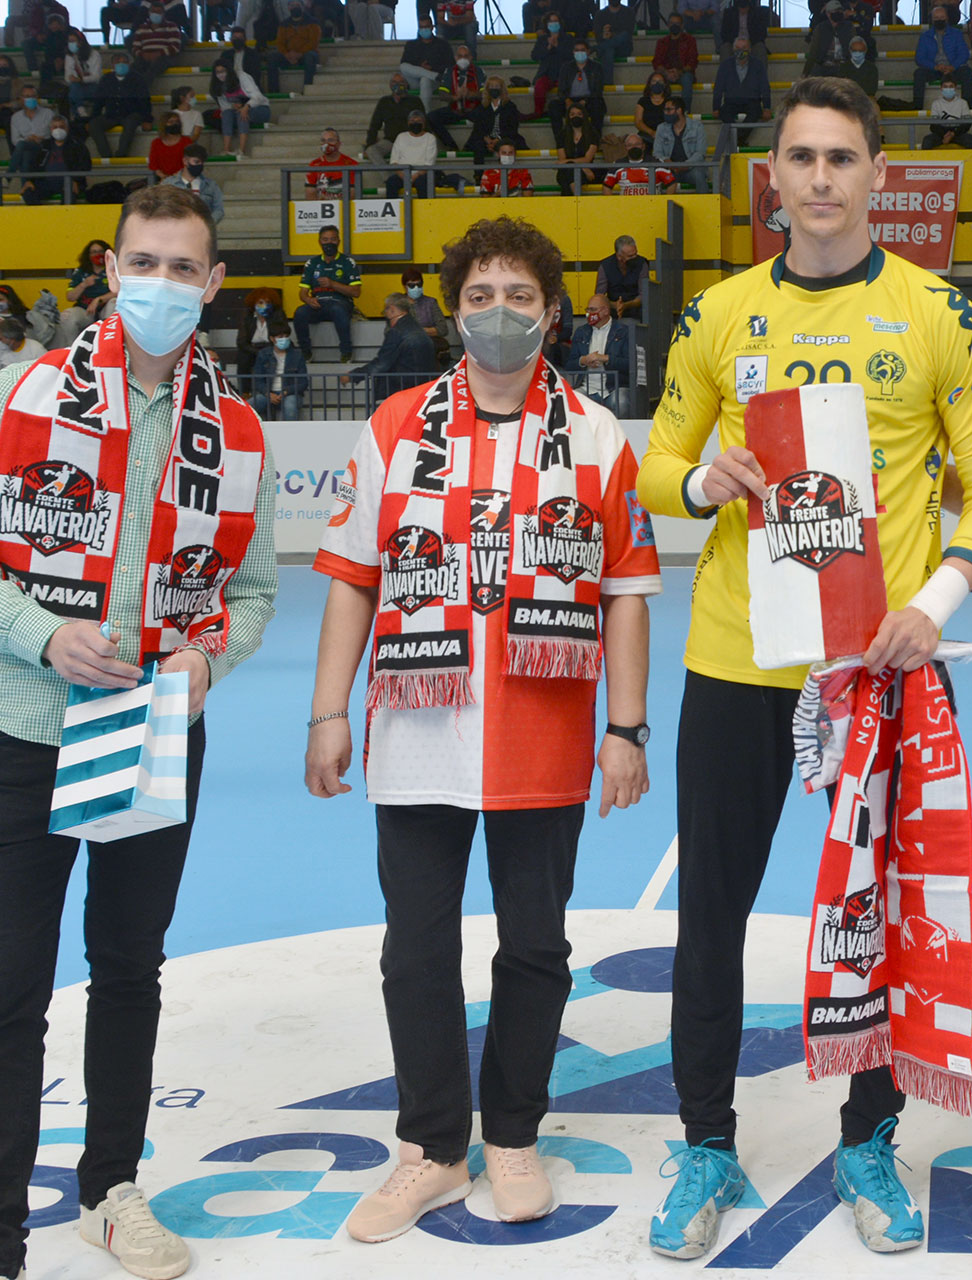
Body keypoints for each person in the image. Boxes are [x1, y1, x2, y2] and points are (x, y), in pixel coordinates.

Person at [637, 74, 972, 1263]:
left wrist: (935, 595)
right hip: (739, 661)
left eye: (841, 159)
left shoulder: (939, 314)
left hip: (885, 662)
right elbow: (656, 465)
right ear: (774, 178)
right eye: (799, 158)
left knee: (882, 913)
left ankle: (872, 1135)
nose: (818, 179)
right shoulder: (717, 315)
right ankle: (706, 1136)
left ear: (876, 175)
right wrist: (704, 483)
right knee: (710, 915)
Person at [0, 183, 275, 1280]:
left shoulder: (239, 431)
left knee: (129, 970)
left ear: (212, 286)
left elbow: (252, 592)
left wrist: (210, 655)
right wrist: (41, 634)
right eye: (143, 263)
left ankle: (111, 1191)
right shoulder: (15, 397)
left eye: (183, 269)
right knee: (8, 991)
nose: (161, 285)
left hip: (155, 734)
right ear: (109, 270)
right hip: (24, 732)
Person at [305, 212, 657, 1250]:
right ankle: (428, 1146)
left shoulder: (595, 434)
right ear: (452, 311)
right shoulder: (394, 426)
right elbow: (352, 582)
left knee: (536, 944)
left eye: (520, 297)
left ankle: (510, 1132)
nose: (499, 314)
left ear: (554, 313)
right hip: (417, 729)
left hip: (544, 728)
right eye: (479, 296)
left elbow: (628, 592)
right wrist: (329, 711)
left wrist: (625, 729)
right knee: (415, 947)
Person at [343, 293, 435, 396]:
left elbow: (381, 363)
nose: (385, 315)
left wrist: (353, 375)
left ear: (392, 310)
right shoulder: (418, 329)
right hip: (424, 389)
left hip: (402, 389)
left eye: (385, 311)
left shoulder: (397, 332)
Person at [296, 225, 362, 361]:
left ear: (338, 241)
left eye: (333, 239)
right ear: (320, 242)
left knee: (337, 309)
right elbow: (302, 293)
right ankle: (305, 352)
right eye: (325, 240)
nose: (329, 243)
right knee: (300, 312)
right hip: (318, 304)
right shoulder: (312, 263)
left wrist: (333, 284)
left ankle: (346, 352)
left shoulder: (348, 262)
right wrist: (308, 300)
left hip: (341, 303)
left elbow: (356, 292)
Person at [563, 291, 633, 414]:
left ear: (605, 311)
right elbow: (569, 364)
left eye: (592, 310)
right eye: (587, 310)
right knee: (569, 402)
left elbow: (630, 364)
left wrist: (606, 358)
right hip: (586, 388)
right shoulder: (581, 332)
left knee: (621, 401)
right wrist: (583, 361)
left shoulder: (623, 332)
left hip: (614, 388)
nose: (588, 314)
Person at [86, 56, 152, 160]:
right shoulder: (106, 79)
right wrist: (92, 118)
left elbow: (145, 101)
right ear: (112, 65)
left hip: (131, 114)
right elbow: (98, 102)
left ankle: (121, 154)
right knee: (94, 125)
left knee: (131, 123)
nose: (121, 64)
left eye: (124, 62)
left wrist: (147, 119)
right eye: (118, 62)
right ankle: (106, 155)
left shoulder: (138, 78)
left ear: (129, 64)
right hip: (111, 115)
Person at [914, 5, 972, 109]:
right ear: (932, 20)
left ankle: (967, 107)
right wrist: (935, 67)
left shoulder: (957, 34)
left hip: (953, 69)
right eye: (936, 18)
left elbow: (964, 54)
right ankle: (917, 108)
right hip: (935, 70)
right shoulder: (925, 36)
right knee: (919, 74)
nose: (939, 20)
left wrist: (953, 66)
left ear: (947, 18)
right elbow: (920, 58)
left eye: (942, 17)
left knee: (967, 72)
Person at [59, 240, 117, 344]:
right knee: (66, 315)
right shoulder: (81, 272)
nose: (97, 254)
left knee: (113, 303)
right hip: (86, 311)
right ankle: (71, 350)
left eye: (100, 251)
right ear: (88, 255)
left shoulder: (114, 269)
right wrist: (84, 284)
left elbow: (120, 290)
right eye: (93, 252)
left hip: (105, 309)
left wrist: (99, 300)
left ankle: (108, 345)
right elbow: (70, 297)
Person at [713, 36, 771, 141]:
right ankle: (741, 140)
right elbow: (718, 87)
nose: (740, 50)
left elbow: (765, 87)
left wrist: (767, 107)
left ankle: (737, 140)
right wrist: (715, 107)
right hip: (731, 101)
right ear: (733, 49)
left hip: (752, 101)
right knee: (724, 113)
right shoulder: (725, 65)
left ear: (749, 49)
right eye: (738, 47)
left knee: (756, 112)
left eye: (744, 47)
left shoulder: (758, 65)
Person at [388, 110, 458, 197]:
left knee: (422, 182)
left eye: (419, 121)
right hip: (403, 174)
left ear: (424, 124)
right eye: (412, 121)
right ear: (408, 123)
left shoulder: (430, 138)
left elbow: (429, 163)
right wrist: (403, 176)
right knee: (391, 182)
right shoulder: (401, 137)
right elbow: (394, 161)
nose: (415, 123)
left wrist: (415, 175)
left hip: (422, 174)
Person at [653, 95, 708, 194]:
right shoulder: (661, 128)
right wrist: (666, 160)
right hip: (669, 170)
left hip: (691, 169)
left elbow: (700, 153)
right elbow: (657, 152)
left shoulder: (697, 127)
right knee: (653, 176)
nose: (665, 113)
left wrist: (685, 165)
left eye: (669, 110)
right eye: (664, 110)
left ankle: (707, 207)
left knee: (699, 176)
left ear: (679, 110)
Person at [428, 48, 481, 151]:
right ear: (455, 58)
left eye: (466, 56)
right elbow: (442, 94)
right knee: (431, 117)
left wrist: (471, 94)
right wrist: (454, 97)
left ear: (471, 57)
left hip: (473, 108)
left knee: (486, 117)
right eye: (460, 56)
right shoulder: (449, 71)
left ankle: (469, 147)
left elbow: (485, 93)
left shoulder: (478, 71)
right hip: (454, 108)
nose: (463, 59)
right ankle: (450, 145)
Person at [366, 73, 426, 164]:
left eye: (401, 82)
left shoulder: (415, 101)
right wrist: (369, 143)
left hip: (410, 140)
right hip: (390, 141)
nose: (397, 84)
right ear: (390, 85)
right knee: (371, 150)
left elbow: (424, 122)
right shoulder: (384, 102)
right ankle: (389, 177)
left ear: (406, 85)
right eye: (394, 82)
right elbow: (374, 125)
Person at [398, 268, 453, 366]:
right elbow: (391, 331)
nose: (416, 288)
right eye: (411, 285)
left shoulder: (431, 303)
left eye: (419, 285)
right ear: (404, 286)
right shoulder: (397, 305)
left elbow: (443, 329)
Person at [249, 329, 308, 418]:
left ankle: (290, 432)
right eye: (280, 337)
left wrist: (285, 392)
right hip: (268, 394)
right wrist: (268, 393)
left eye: (286, 336)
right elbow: (257, 380)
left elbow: (303, 383)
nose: (284, 339)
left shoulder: (297, 355)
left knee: (290, 407)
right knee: (247, 406)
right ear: (272, 338)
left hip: (290, 394)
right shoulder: (263, 354)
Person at [469, 77, 525, 164]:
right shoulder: (482, 107)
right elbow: (478, 127)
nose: (494, 89)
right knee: (478, 146)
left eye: (497, 86)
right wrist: (487, 139)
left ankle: (505, 173)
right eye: (491, 86)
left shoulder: (510, 106)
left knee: (505, 146)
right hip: (486, 139)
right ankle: (478, 175)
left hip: (505, 137)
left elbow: (513, 128)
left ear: (502, 89)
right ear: (487, 89)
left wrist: (498, 140)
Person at [557, 39, 609, 134]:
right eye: (577, 50)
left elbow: (598, 90)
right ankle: (560, 139)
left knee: (597, 106)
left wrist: (585, 101)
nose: (579, 52)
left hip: (590, 100)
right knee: (553, 107)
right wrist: (567, 100)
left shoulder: (597, 67)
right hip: (570, 100)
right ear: (573, 52)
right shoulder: (566, 67)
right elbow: (561, 89)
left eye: (582, 50)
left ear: (588, 51)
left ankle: (595, 139)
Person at [163, 144, 225, 223]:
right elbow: (163, 209)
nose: (200, 165)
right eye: (196, 162)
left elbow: (219, 210)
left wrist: (207, 224)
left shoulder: (211, 185)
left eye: (202, 162)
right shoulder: (169, 184)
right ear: (185, 161)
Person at [268, 1, 322, 92]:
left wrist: (299, 54)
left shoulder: (313, 22)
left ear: (302, 7)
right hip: (288, 56)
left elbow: (313, 43)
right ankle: (273, 91)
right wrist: (287, 54)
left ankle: (307, 89)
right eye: (292, 5)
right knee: (272, 57)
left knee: (310, 57)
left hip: (306, 54)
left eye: (298, 5)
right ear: (288, 8)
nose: (295, 7)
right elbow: (280, 43)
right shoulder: (283, 24)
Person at [235, 286, 286, 377]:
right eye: (261, 302)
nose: (264, 305)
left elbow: (282, 334)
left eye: (268, 302)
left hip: (271, 346)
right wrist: (257, 352)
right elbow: (241, 341)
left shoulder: (278, 314)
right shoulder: (247, 316)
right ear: (254, 304)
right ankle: (245, 390)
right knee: (243, 357)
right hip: (252, 349)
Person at [399, 20, 453, 103]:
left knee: (425, 79)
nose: (424, 29)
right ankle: (434, 75)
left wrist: (432, 67)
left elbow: (450, 64)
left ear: (432, 27)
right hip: (415, 80)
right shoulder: (411, 45)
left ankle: (424, 111)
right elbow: (404, 62)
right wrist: (420, 66)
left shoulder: (443, 44)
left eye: (426, 27)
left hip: (435, 82)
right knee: (403, 66)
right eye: (421, 27)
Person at [554, 101, 601, 194]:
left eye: (579, 114)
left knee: (567, 176)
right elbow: (562, 159)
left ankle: (571, 205)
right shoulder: (562, 135)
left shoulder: (593, 134)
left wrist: (580, 167)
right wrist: (581, 167)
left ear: (584, 116)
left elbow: (587, 159)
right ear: (568, 117)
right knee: (568, 172)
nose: (576, 116)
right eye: (572, 114)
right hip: (577, 170)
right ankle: (578, 202)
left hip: (587, 171)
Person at [596, 236, 646, 321]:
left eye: (635, 254)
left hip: (635, 306)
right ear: (619, 256)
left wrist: (626, 305)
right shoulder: (605, 266)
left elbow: (644, 294)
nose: (635, 257)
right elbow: (599, 296)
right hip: (611, 307)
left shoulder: (642, 264)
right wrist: (615, 305)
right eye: (630, 256)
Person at [655, 15, 700, 106]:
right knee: (656, 80)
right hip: (666, 73)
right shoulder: (662, 42)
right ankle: (662, 111)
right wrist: (667, 72)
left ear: (682, 25)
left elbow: (693, 61)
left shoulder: (690, 40)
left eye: (677, 23)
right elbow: (656, 62)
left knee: (687, 79)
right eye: (672, 23)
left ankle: (685, 111)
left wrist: (679, 72)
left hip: (683, 73)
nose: (674, 26)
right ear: (668, 25)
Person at [306, 127, 360, 197]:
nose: (326, 144)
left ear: (339, 143)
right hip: (321, 206)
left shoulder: (352, 164)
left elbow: (353, 194)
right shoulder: (314, 165)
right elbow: (310, 193)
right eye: (323, 140)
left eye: (330, 140)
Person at [925, 75, 972, 148]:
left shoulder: (963, 103)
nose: (948, 89)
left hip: (958, 133)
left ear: (955, 87)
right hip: (941, 134)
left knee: (969, 140)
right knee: (927, 141)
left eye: (951, 86)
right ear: (941, 88)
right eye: (945, 86)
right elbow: (934, 125)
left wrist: (953, 134)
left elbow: (966, 124)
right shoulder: (936, 103)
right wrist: (945, 135)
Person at [146, 110, 190, 181]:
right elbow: (153, 165)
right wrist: (163, 177)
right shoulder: (156, 143)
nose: (175, 124)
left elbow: (189, 164)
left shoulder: (186, 141)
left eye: (177, 121)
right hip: (161, 179)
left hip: (182, 178)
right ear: (164, 125)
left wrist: (176, 177)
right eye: (171, 122)